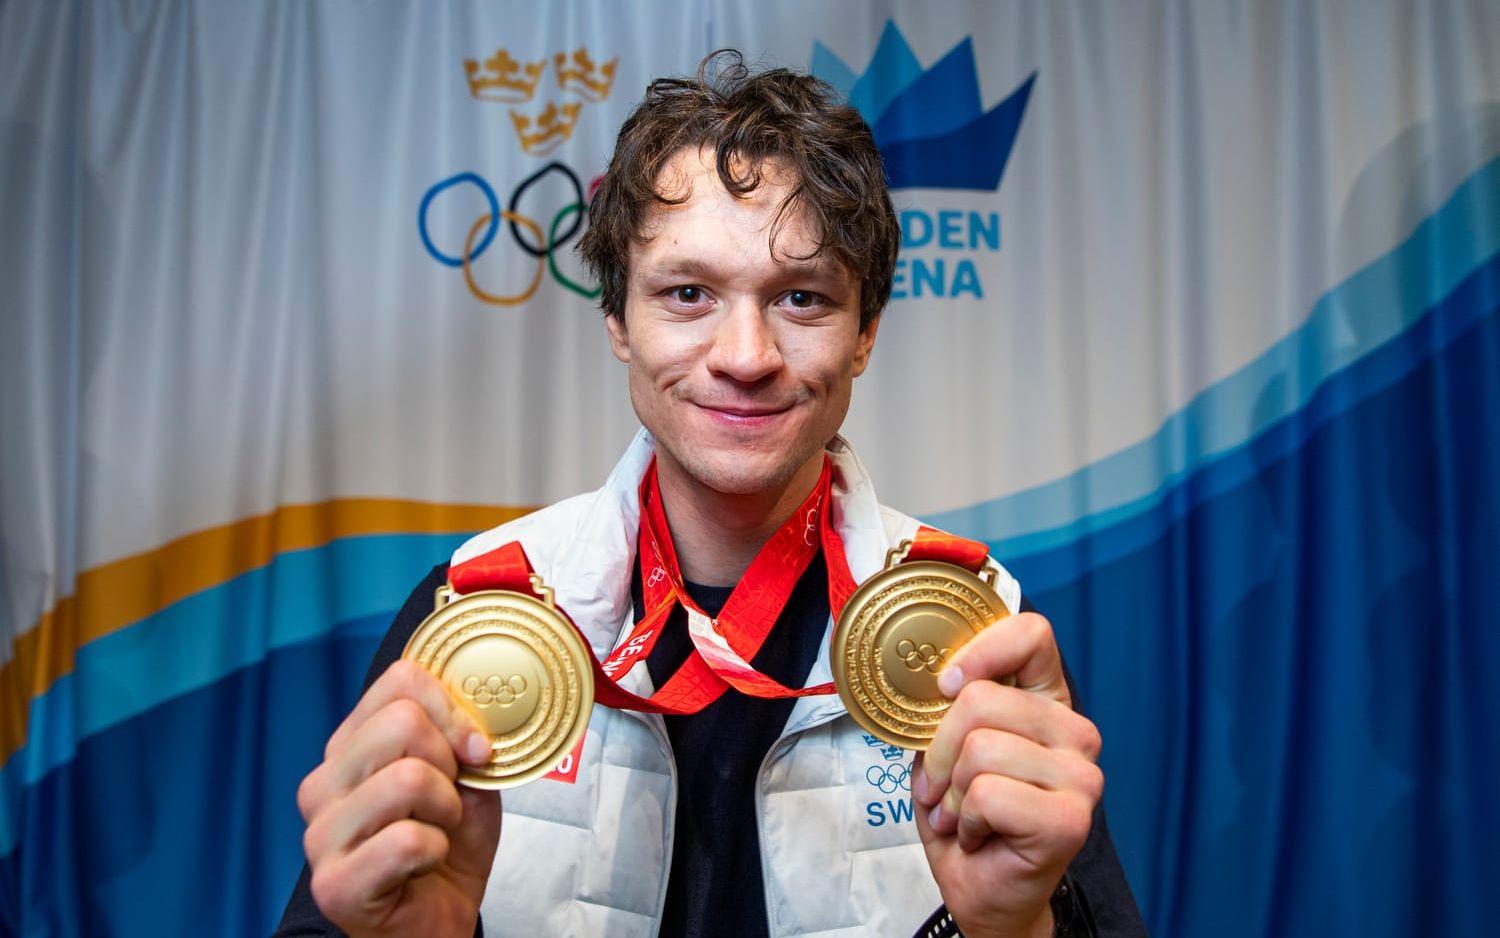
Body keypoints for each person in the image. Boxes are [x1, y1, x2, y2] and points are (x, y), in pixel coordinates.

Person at [276, 51, 1146, 938]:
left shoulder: (975, 628)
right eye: (688, 293)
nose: (745, 355)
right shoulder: (474, 608)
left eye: (801, 298)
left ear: (865, 334)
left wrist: (1014, 928)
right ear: (617, 318)